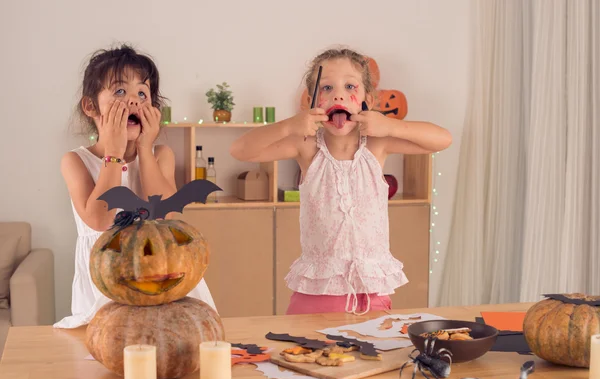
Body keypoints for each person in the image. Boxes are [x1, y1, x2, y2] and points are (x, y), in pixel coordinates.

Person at [230, 47, 452, 315]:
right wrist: (289, 126)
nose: (338, 95)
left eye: (350, 86)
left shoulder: (378, 144)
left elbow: (443, 139)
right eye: (326, 88)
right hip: (317, 293)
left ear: (366, 99)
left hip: (371, 294)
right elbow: (241, 150)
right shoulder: (306, 146)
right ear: (311, 101)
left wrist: (390, 125)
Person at [54, 45, 216, 329]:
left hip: (161, 271)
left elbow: (163, 216)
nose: (133, 101)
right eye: (119, 91)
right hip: (107, 278)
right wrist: (114, 153)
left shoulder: (160, 155)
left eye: (142, 93)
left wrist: (144, 148)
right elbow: (100, 220)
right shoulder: (75, 161)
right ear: (91, 106)